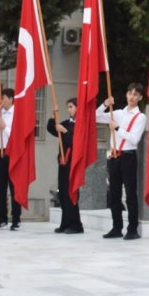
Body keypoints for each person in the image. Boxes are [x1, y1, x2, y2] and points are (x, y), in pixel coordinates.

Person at [96, 84, 147, 240]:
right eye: (130, 93)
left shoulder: (140, 117)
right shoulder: (117, 113)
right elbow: (95, 117)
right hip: (114, 157)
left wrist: (117, 128)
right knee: (114, 194)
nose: (132, 97)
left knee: (131, 194)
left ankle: (132, 229)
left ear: (140, 98)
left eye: (135, 94)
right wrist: (105, 104)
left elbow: (134, 139)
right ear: (126, 95)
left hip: (128, 157)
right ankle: (116, 227)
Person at [46, 98, 83, 234]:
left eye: (71, 106)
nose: (69, 109)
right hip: (63, 163)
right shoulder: (67, 123)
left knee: (71, 193)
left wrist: (66, 132)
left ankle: (76, 225)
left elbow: (76, 143)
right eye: (67, 107)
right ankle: (65, 223)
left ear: (78, 108)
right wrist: (53, 116)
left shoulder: (80, 124)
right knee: (62, 194)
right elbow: (52, 129)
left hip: (73, 163)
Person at [0, 89, 20, 231]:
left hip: (11, 153)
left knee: (14, 188)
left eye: (3, 98)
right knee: (1, 188)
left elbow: (16, 134)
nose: (0, 100)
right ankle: (2, 219)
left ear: (11, 99)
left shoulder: (17, 113)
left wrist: (5, 127)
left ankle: (16, 219)